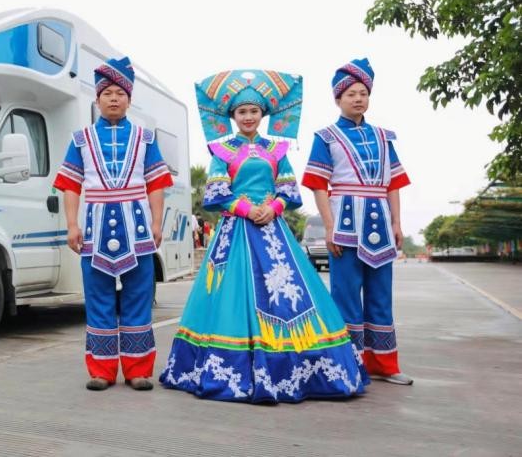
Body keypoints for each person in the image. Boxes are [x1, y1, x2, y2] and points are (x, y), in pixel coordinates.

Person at [159, 70, 366, 403]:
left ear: (263, 115)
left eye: (254, 111)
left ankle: (302, 369)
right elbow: (215, 192)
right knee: (230, 296)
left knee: (291, 296)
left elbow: (288, 187)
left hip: (273, 228)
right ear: (233, 116)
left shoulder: (277, 148)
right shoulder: (222, 150)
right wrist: (245, 208)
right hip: (236, 230)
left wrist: (275, 206)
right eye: (242, 112)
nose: (248, 117)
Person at [53, 56, 173, 391]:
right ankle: (101, 370)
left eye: (120, 92)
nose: (114, 98)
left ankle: (137, 370)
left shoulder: (146, 138)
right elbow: (71, 185)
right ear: (97, 99)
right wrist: (72, 225)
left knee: (138, 297)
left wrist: (157, 222)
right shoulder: (82, 139)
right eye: (107, 93)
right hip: (95, 230)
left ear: (130, 98)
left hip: (137, 231)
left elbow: (156, 184)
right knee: (98, 298)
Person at [301, 58, 413, 385]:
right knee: (345, 295)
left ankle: (385, 365)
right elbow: (319, 185)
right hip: (346, 223)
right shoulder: (327, 137)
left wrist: (397, 222)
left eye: (363, 92)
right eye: (350, 93)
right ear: (338, 99)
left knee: (381, 294)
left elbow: (393, 184)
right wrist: (330, 225)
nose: (358, 98)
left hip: (379, 223)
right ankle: (349, 365)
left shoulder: (384, 137)